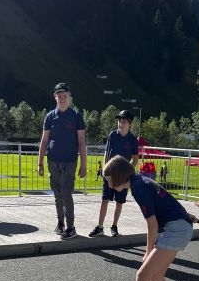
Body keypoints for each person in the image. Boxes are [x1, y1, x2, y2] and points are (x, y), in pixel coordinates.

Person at [103, 155, 195, 281]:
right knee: (156, 275)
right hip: (180, 226)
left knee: (142, 276)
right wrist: (184, 215)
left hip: (176, 230)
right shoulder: (142, 181)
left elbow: (152, 225)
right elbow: (167, 200)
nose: (109, 184)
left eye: (109, 180)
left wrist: (147, 252)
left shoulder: (138, 188)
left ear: (118, 176)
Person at [38, 82, 87, 240]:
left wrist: (84, 165)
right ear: (55, 97)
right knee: (57, 194)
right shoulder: (50, 116)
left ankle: (70, 227)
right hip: (52, 161)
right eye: (59, 96)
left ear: (69, 97)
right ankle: (60, 223)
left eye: (65, 96)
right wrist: (40, 163)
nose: (62, 98)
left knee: (66, 193)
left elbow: (81, 142)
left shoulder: (76, 117)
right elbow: (44, 141)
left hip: (69, 161)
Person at [89, 110, 139, 238]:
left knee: (119, 202)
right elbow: (106, 152)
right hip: (110, 173)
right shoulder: (112, 135)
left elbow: (135, 158)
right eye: (119, 121)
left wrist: (129, 171)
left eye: (123, 122)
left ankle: (114, 226)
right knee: (105, 199)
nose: (120, 124)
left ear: (129, 124)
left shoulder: (133, 140)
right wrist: (106, 168)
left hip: (123, 176)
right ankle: (100, 226)